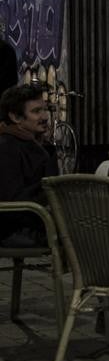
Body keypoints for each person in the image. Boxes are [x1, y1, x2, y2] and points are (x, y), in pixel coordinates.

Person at [0, 84, 56, 246]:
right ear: (16, 117)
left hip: (36, 221)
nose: (45, 116)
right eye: (36, 111)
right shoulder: (6, 148)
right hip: (14, 229)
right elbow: (11, 203)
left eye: (45, 110)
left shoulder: (35, 143)